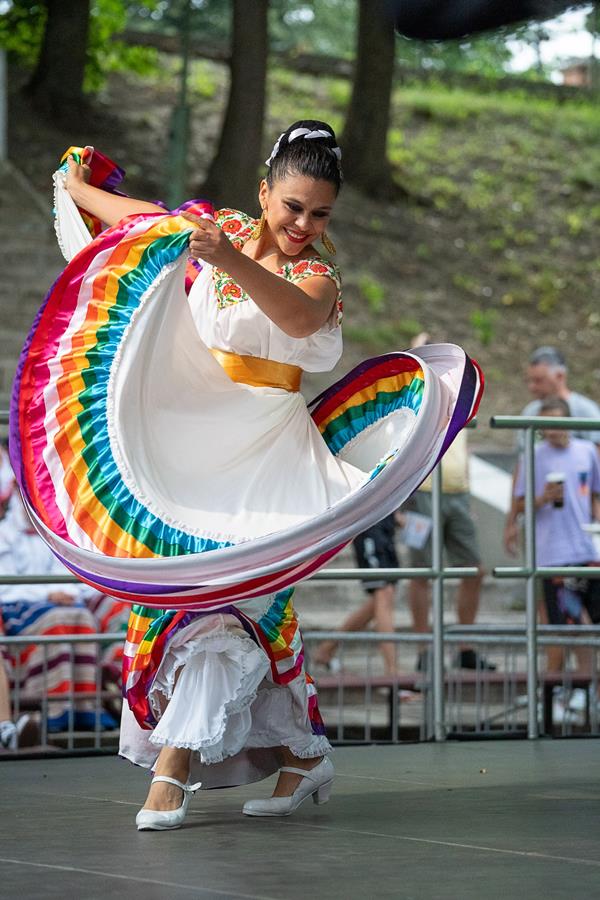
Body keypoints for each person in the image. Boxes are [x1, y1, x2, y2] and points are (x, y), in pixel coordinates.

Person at [18, 121, 481, 832]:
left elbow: (297, 319)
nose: (304, 225)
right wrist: (78, 189)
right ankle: (302, 754)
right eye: (293, 206)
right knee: (193, 603)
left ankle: (173, 767)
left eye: (320, 213)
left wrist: (229, 258)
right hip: (196, 442)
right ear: (264, 193)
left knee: (230, 605)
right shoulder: (223, 230)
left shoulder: (317, 279)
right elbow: (146, 222)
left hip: (270, 454)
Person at [0, 497, 117, 732]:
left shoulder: (54, 531)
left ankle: (84, 705)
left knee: (82, 617)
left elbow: (67, 572)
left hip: (53, 601)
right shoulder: (5, 533)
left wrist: (64, 593)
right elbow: (6, 585)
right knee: (55, 620)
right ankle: (54, 708)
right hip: (16, 606)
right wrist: (48, 593)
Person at [513, 396, 600, 674]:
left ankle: (583, 686)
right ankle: (569, 685)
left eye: (557, 424)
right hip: (553, 554)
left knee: (586, 623)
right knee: (568, 623)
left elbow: (594, 494)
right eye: (546, 425)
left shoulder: (587, 451)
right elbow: (518, 504)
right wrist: (542, 498)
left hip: (587, 549)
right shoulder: (533, 455)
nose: (552, 431)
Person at [504, 346, 600, 555]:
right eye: (530, 381)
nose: (532, 387)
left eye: (538, 380)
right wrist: (511, 521)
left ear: (560, 376)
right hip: (542, 520)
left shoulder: (586, 411)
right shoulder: (530, 412)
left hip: (580, 520)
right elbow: (521, 469)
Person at [312, 513, 400, 676]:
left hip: (384, 516)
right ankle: (392, 672)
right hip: (370, 520)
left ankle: (326, 648)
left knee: (381, 598)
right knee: (384, 592)